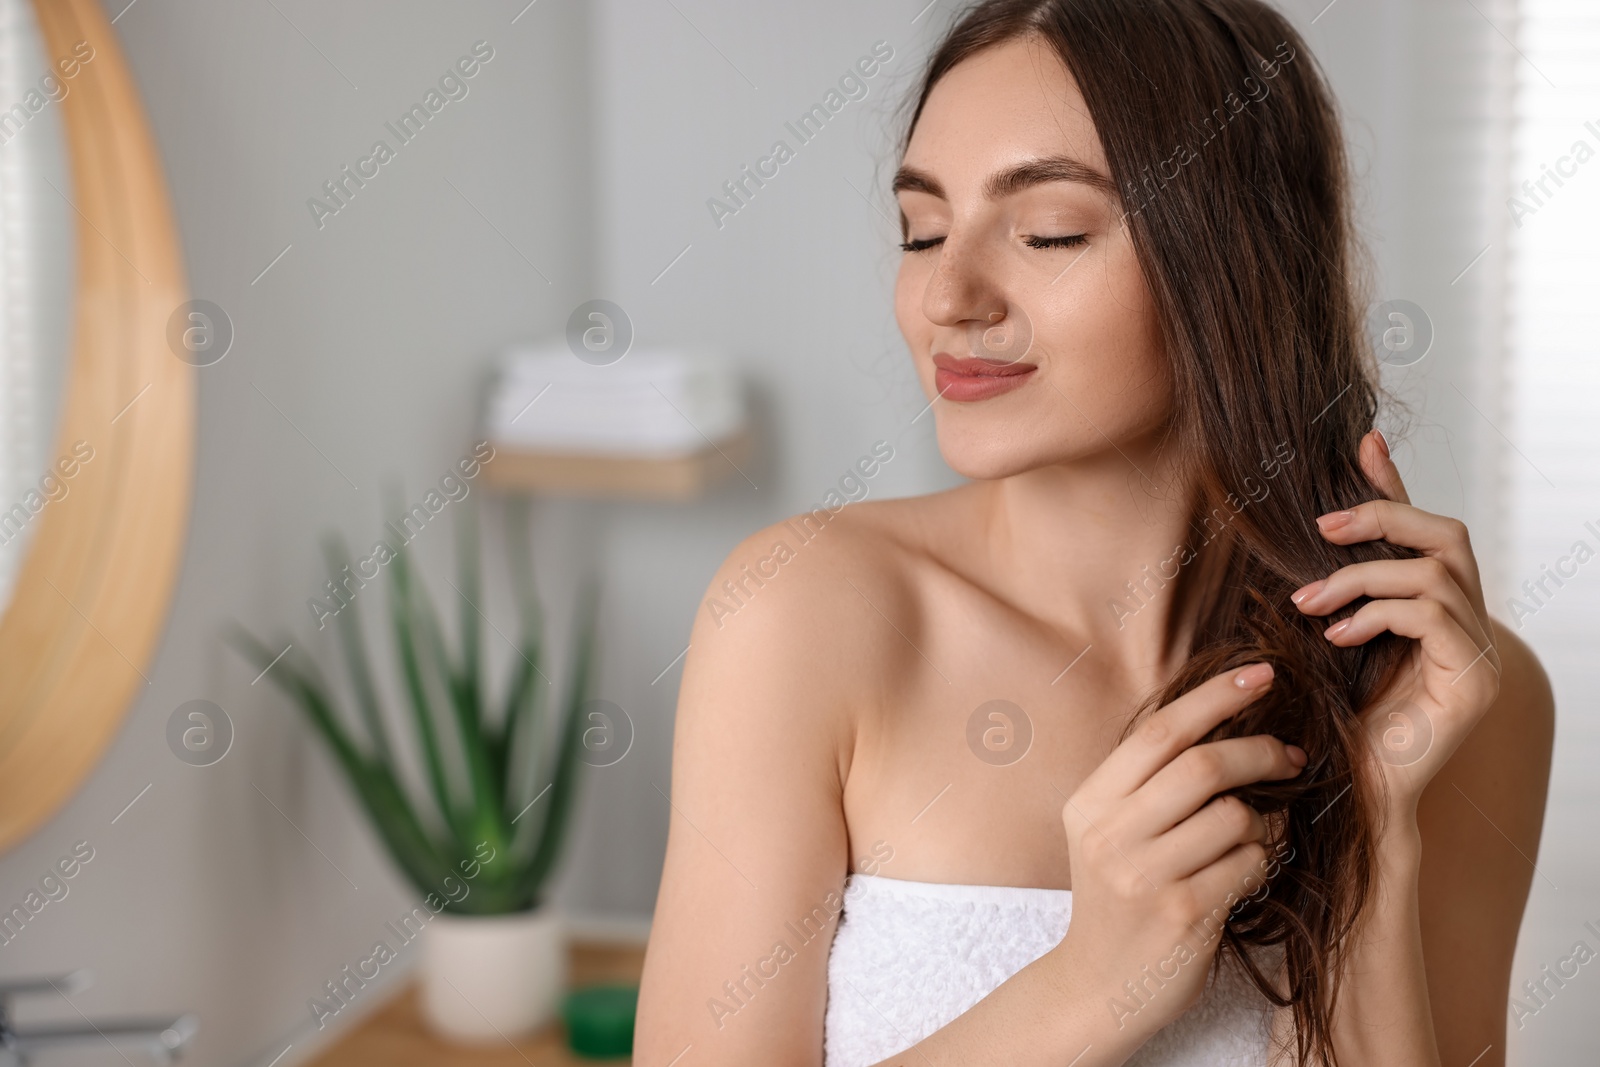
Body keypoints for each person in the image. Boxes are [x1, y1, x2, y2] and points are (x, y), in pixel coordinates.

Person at [636, 1, 1553, 1063]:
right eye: (921, 231)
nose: (948, 293)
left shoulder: (1452, 696)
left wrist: (1373, 841)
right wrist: (1084, 987)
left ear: (1231, 255)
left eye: (1047, 232)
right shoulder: (804, 612)